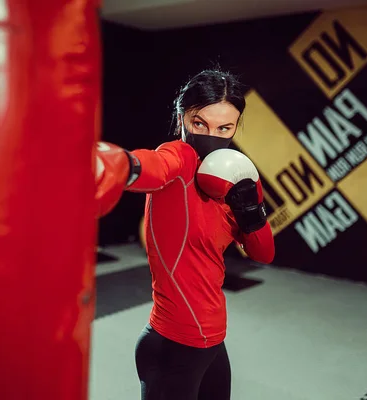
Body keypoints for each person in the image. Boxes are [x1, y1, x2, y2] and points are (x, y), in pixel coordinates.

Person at [95, 69, 275, 400]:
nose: (211, 135)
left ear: (236, 128)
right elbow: (153, 165)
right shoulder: (179, 160)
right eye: (199, 123)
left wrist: (251, 211)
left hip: (212, 343)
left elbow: (264, 253)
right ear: (182, 119)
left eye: (224, 128)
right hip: (173, 348)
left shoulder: (231, 175)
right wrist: (119, 164)